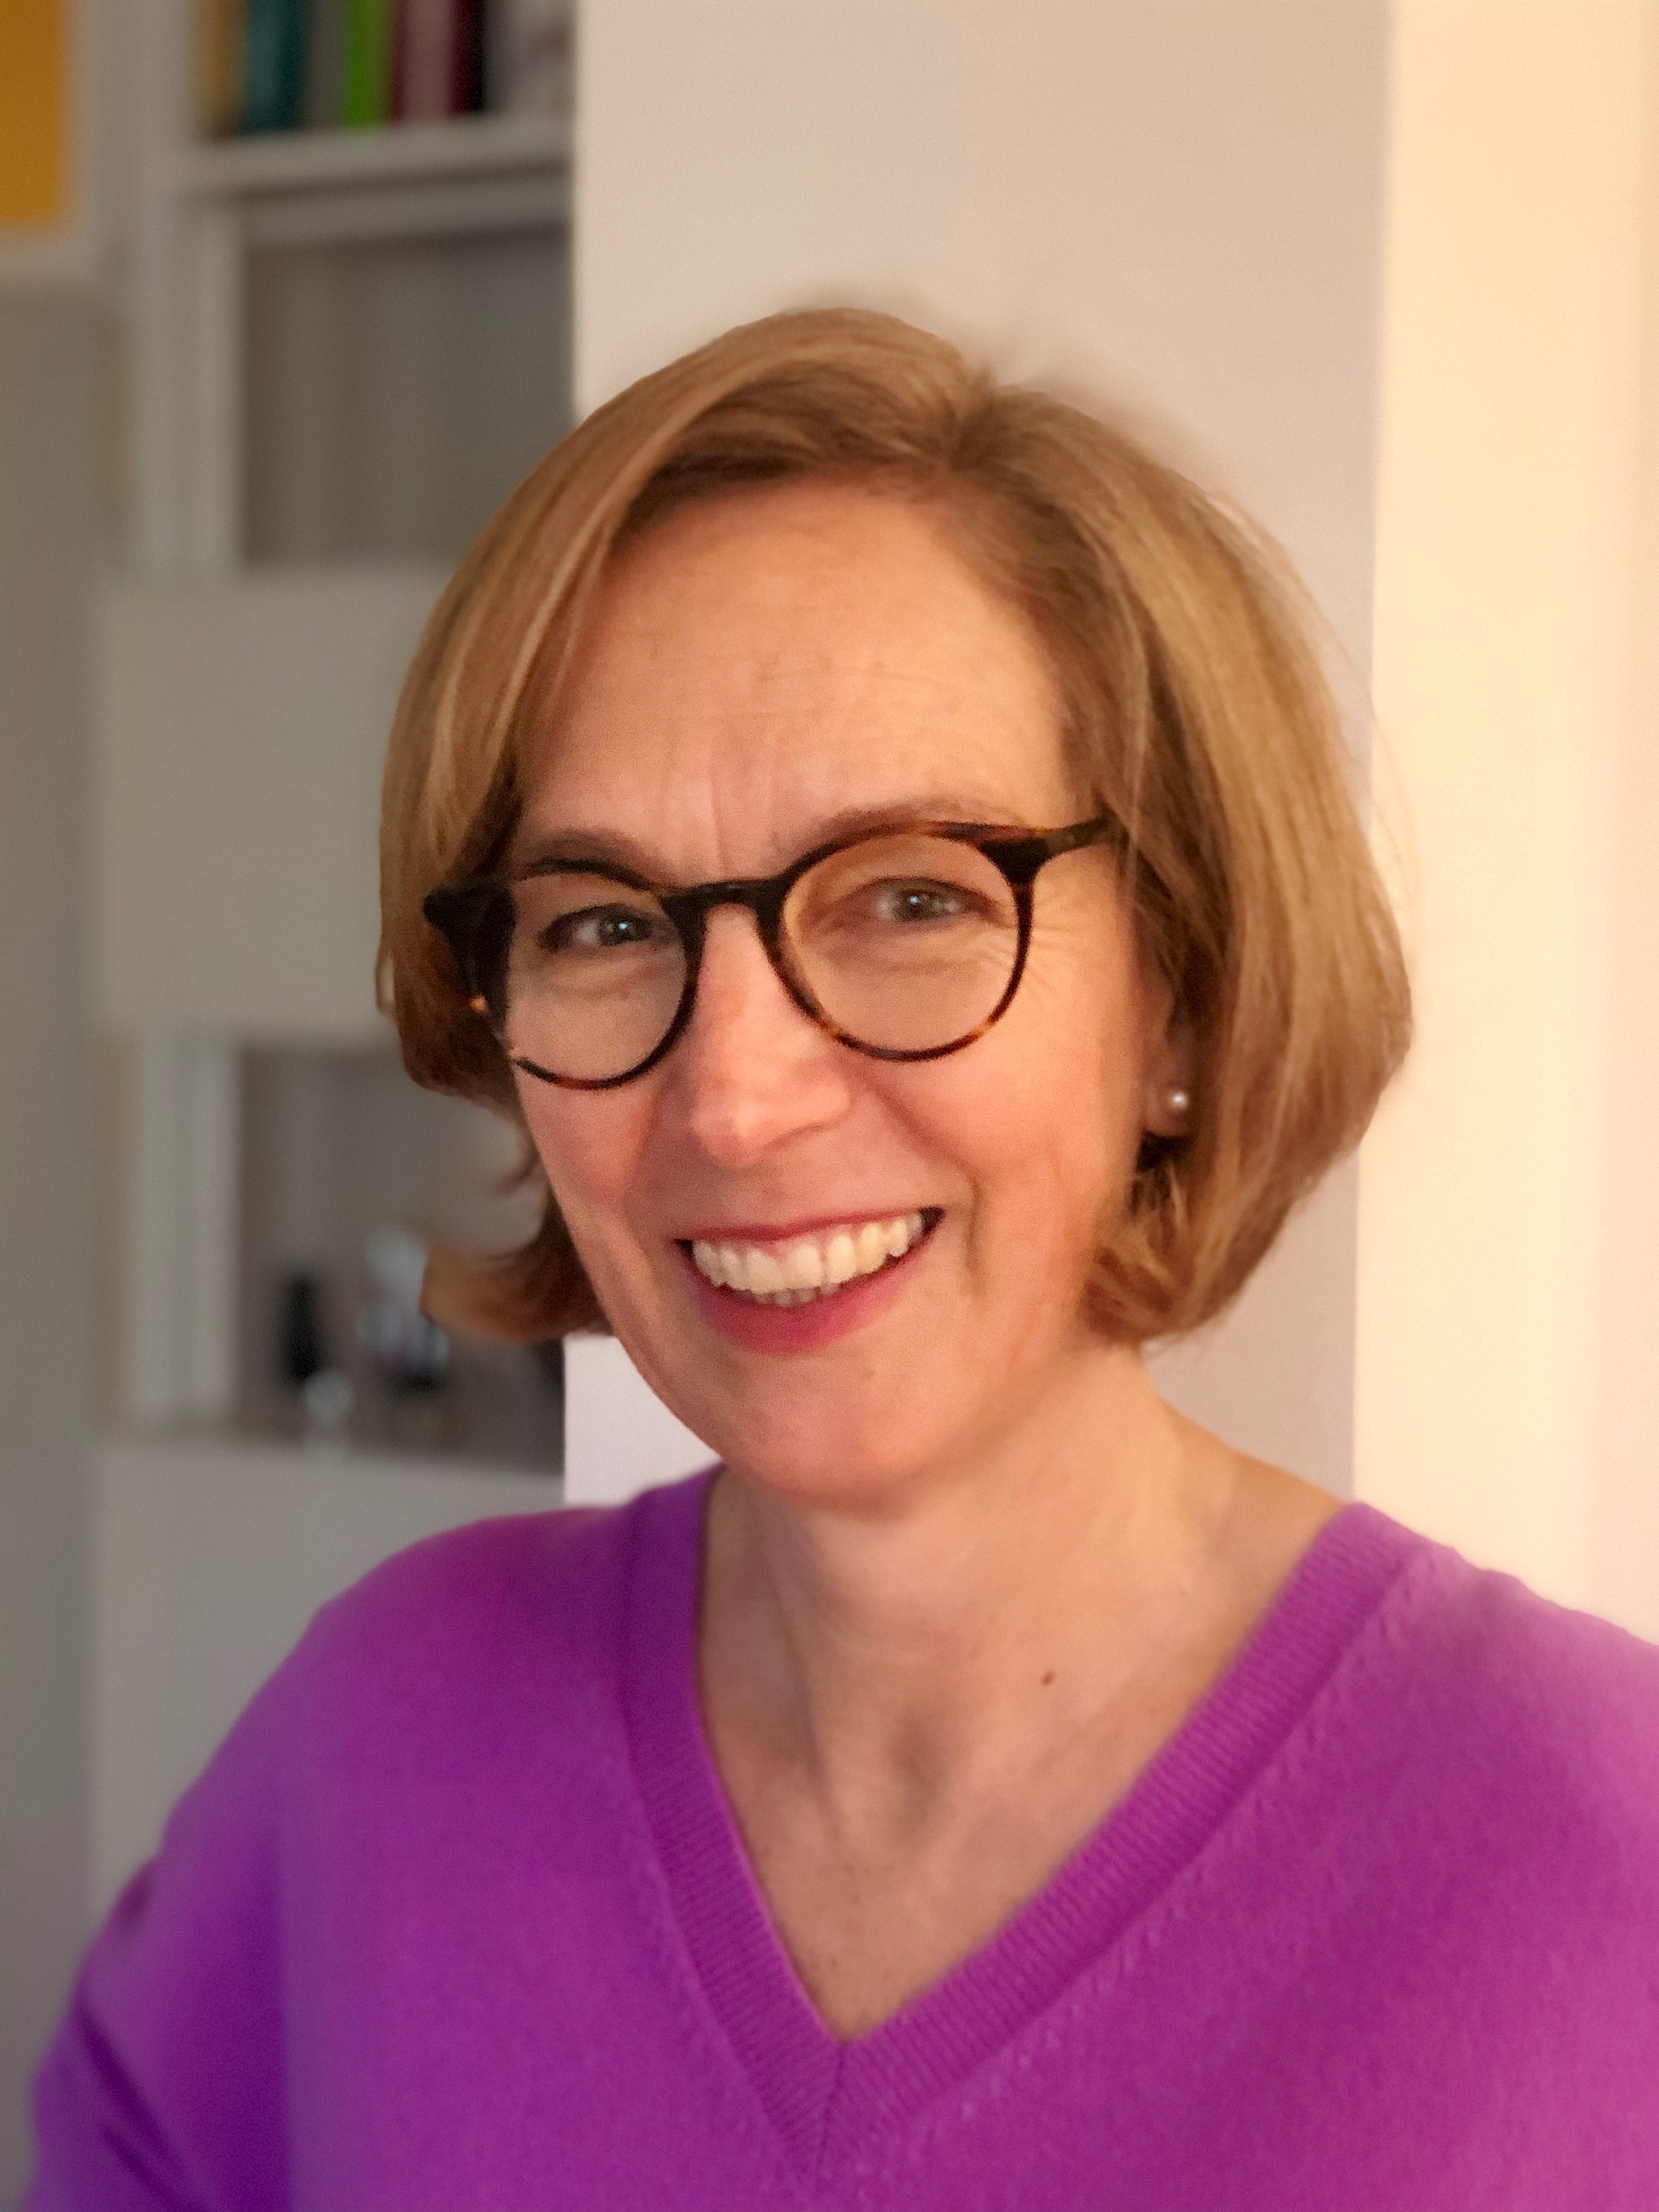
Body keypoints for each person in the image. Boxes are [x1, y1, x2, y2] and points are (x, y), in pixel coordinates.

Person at [30, 310, 1659, 2208]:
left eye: (908, 898)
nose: (735, 1101)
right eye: (604, 924)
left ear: (1185, 1000)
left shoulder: (1593, 1856)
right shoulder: (376, 1743)